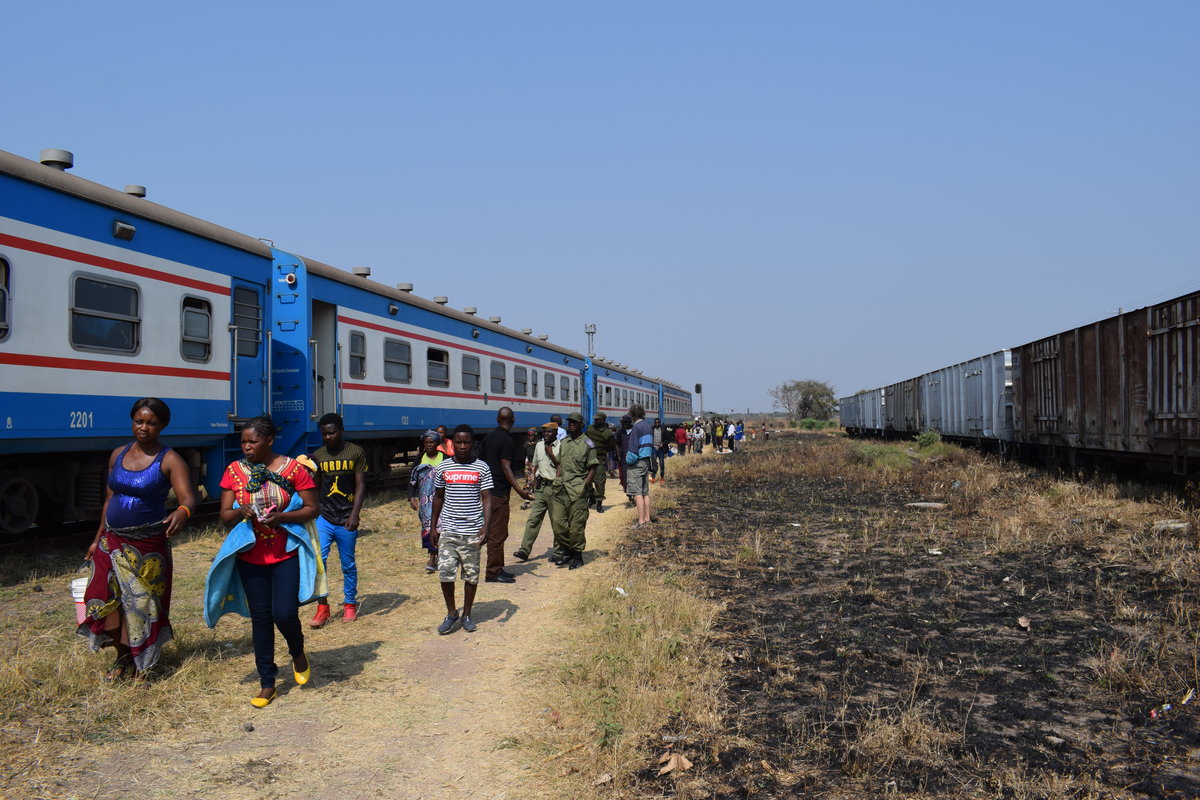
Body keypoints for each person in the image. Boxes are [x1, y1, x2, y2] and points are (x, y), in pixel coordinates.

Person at [79, 398, 196, 684]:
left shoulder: (169, 459)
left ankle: (142, 667)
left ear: (162, 425)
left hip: (147, 547)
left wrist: (183, 511)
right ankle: (122, 658)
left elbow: (189, 497)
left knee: (141, 607)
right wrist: (97, 539)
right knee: (104, 600)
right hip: (111, 541)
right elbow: (109, 500)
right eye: (139, 421)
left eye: (151, 423)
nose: (144, 427)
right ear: (132, 422)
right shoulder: (117, 454)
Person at [210, 416, 320, 707]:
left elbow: (312, 509)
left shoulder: (293, 469)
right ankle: (267, 683)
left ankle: (297, 652)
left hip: (285, 554)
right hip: (250, 557)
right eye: (243, 442)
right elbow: (224, 516)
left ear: (269, 441)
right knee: (260, 620)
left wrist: (282, 517)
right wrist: (240, 510)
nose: (246, 447)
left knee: (284, 614)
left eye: (253, 441)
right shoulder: (234, 471)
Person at [431, 424, 492, 634]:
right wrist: (433, 527)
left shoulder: (482, 468)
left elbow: (487, 498)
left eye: (466, 442)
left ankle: (466, 614)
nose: (463, 446)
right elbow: (438, 497)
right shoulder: (443, 468)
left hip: (472, 530)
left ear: (473, 444)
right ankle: (451, 613)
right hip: (449, 529)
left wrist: (486, 526)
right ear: (452, 443)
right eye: (459, 442)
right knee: (445, 573)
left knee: (471, 575)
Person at [308, 413, 368, 627]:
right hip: (324, 517)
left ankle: (349, 604)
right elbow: (315, 486)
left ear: (341, 430)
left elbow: (360, 485)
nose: (328, 437)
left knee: (348, 564)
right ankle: (322, 608)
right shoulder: (319, 455)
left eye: (332, 433)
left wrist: (355, 514)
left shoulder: (355, 452)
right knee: (319, 562)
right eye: (324, 434)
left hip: (346, 518)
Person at [479, 407, 533, 584]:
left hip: (487, 491)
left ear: (497, 419)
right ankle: (493, 572)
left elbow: (481, 463)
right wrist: (520, 491)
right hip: (499, 493)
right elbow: (506, 467)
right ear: (514, 420)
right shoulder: (507, 440)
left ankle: (498, 568)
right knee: (498, 533)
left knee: (497, 532)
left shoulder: (488, 437)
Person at [547, 413, 598, 569]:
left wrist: (584, 486)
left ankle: (577, 555)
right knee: (558, 525)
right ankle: (567, 551)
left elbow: (593, 467)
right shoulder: (565, 442)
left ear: (582, 425)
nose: (571, 424)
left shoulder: (588, 444)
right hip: (561, 489)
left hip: (577, 490)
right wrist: (557, 480)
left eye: (575, 422)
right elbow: (559, 464)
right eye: (570, 422)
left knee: (576, 527)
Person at [513, 422, 560, 562]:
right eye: (544, 432)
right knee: (533, 519)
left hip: (554, 488)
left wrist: (550, 453)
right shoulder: (539, 445)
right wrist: (532, 483)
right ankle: (524, 550)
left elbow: (561, 466)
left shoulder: (562, 446)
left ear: (556, 433)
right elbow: (534, 466)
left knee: (556, 522)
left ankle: (558, 551)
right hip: (540, 488)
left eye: (549, 432)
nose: (546, 434)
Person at [409, 430, 446, 572]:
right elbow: (412, 479)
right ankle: (433, 555)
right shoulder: (420, 458)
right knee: (428, 527)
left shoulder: (445, 458)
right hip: (425, 501)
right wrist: (411, 496)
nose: (429, 445)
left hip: (442, 498)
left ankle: (436, 556)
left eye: (432, 442)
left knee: (441, 526)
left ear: (437, 444)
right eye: (426, 442)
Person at [626, 404, 654, 528]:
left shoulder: (636, 428)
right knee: (645, 493)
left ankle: (641, 521)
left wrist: (627, 461)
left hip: (637, 463)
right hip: (646, 461)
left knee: (637, 493)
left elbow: (633, 450)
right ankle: (647, 519)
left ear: (632, 415)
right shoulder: (648, 427)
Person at [584, 412, 617, 512]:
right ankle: (592, 496)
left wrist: (602, 450)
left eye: (597, 419)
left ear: (603, 420)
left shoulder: (607, 433)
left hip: (600, 459)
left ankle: (599, 503)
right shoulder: (590, 429)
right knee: (585, 479)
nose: (595, 421)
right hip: (588, 458)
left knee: (600, 482)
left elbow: (611, 446)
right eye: (595, 419)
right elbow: (584, 439)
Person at [615, 414, 634, 506]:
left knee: (633, 476)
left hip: (634, 458)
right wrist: (618, 455)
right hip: (623, 458)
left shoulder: (635, 430)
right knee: (625, 476)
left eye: (625, 423)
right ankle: (629, 496)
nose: (623, 424)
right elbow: (616, 444)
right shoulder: (620, 431)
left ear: (630, 422)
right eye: (622, 423)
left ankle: (634, 494)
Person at [520, 427, 538, 510]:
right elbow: (525, 455)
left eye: (532, 435)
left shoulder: (538, 445)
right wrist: (528, 465)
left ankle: (536, 501)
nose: (531, 437)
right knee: (528, 483)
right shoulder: (526, 445)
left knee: (536, 483)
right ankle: (527, 501)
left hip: (536, 466)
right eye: (529, 435)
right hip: (529, 466)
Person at [649, 419, 667, 483]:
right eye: (655, 423)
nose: (657, 424)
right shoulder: (651, 429)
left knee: (661, 463)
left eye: (658, 422)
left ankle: (662, 477)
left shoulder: (663, 430)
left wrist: (663, 443)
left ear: (660, 423)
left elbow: (669, 438)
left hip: (660, 449)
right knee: (653, 463)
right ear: (654, 423)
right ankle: (653, 477)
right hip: (653, 448)